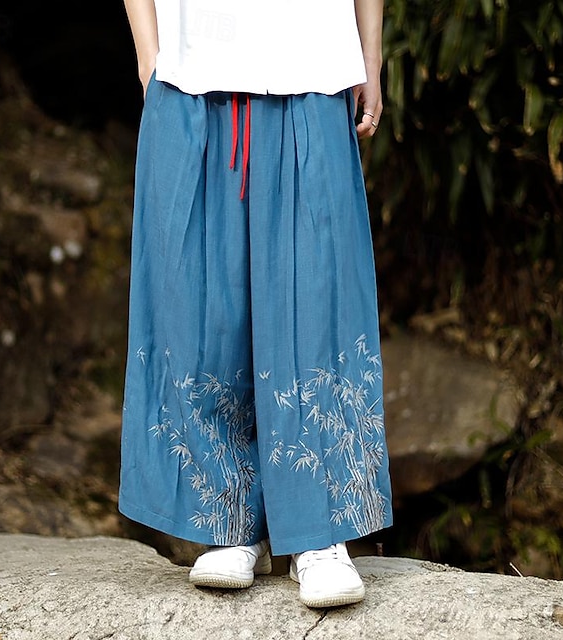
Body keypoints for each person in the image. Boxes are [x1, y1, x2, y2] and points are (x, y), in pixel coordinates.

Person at [119, 0, 393, 609]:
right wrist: (148, 53)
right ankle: (228, 517)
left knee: (316, 293)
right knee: (200, 301)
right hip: (193, 68)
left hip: (314, 63)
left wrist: (369, 52)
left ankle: (319, 535)